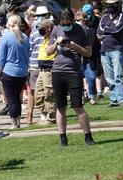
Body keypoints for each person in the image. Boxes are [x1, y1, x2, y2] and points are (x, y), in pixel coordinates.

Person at [46, 9, 95, 146]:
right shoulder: (56, 29)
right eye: (63, 23)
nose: (65, 26)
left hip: (73, 72)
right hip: (57, 71)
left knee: (78, 106)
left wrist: (74, 45)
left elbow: (88, 53)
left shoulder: (80, 30)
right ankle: (63, 139)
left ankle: (88, 137)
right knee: (60, 107)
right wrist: (56, 43)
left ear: (73, 21)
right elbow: (48, 52)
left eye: (68, 23)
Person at [0, 14, 30, 129]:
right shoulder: (25, 37)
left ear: (10, 24)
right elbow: (27, 56)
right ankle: (18, 121)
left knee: (11, 99)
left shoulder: (6, 37)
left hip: (9, 71)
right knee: (17, 97)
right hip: (23, 72)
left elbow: (1, 58)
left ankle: (14, 123)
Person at [97, 0, 123, 107]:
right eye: (109, 5)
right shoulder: (104, 18)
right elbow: (99, 32)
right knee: (109, 76)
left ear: (118, 5)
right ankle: (113, 99)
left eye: (113, 4)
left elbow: (118, 29)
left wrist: (106, 31)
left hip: (117, 49)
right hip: (104, 50)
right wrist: (110, 31)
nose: (110, 6)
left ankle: (121, 99)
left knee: (118, 75)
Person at [34, 19, 57, 125]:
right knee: (38, 95)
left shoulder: (54, 38)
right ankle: (44, 114)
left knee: (49, 94)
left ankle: (51, 118)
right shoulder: (45, 38)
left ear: (48, 28)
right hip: (41, 70)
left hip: (49, 70)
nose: (40, 31)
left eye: (42, 29)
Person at [26, 11, 44, 125]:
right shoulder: (37, 31)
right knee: (36, 91)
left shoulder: (34, 31)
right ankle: (36, 116)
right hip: (38, 65)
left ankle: (32, 117)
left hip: (38, 65)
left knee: (34, 91)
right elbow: (30, 49)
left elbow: (30, 49)